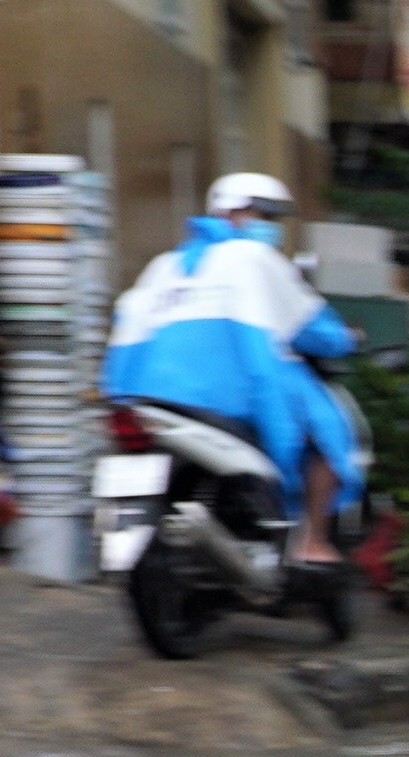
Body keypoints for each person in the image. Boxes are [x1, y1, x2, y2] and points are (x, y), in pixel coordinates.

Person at [102, 173, 363, 563]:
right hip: (228, 402)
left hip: (150, 400)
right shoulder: (255, 258)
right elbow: (311, 326)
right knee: (327, 436)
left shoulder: (164, 265)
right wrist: (346, 339)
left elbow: (126, 329)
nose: (269, 227)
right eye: (263, 215)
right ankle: (312, 541)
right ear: (233, 212)